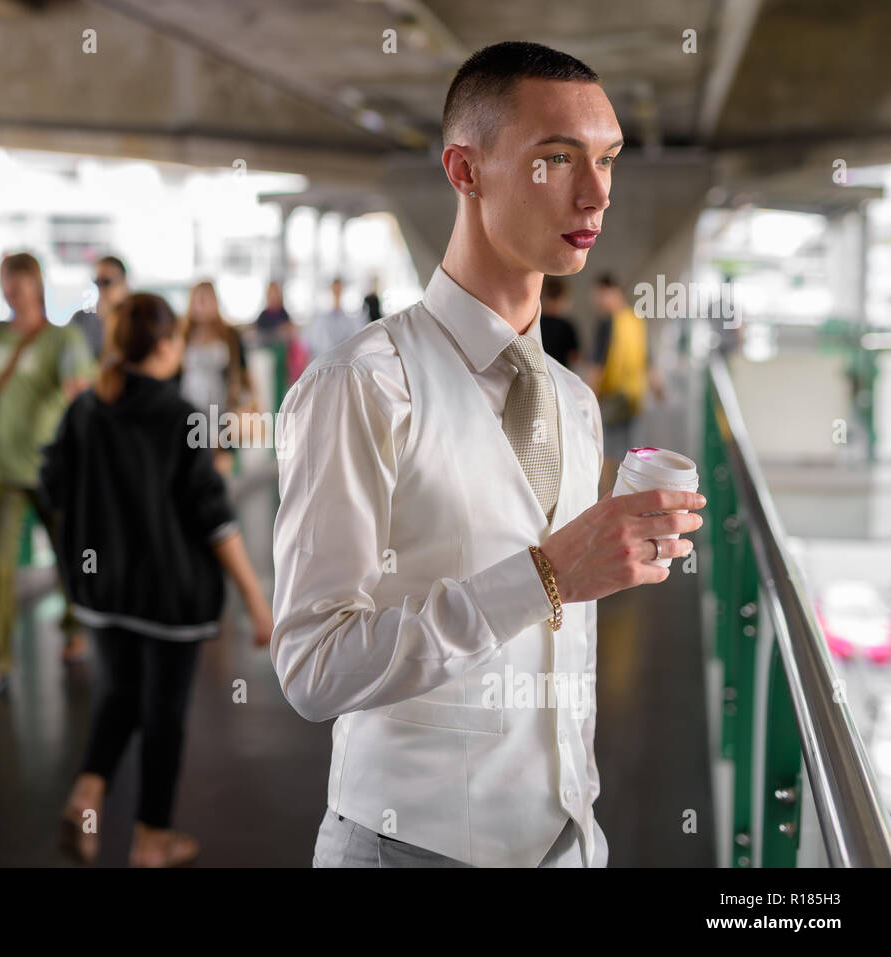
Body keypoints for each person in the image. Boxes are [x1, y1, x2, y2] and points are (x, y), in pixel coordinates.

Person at [270, 40, 706, 868]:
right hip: (407, 844)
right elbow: (312, 667)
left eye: (607, 159)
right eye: (557, 159)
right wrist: (544, 575)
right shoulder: (363, 385)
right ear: (464, 171)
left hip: (569, 841)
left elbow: (552, 633)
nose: (597, 192)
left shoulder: (573, 404)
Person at [40, 292, 273, 867]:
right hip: (170, 598)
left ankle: (88, 791)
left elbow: (50, 485)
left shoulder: (87, 408)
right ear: (166, 346)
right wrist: (255, 599)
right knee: (164, 715)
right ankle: (150, 839)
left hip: (101, 593)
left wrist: (80, 554)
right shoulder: (183, 419)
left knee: (120, 693)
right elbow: (215, 520)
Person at [0, 252, 95, 696]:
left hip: (49, 466)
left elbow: (80, 386)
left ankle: (76, 624)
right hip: (0, 466)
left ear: (37, 285)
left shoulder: (62, 340)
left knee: (70, 553)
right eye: (6, 282)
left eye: (20, 282)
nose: (13, 291)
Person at [587, 273, 665, 492]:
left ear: (611, 292)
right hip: (633, 399)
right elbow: (648, 359)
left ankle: (606, 498)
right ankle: (626, 497)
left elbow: (597, 366)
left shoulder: (607, 323)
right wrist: (658, 387)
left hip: (610, 399)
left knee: (605, 454)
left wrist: (586, 396)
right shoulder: (636, 321)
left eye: (599, 296)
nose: (598, 302)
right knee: (631, 454)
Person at [178, 280, 257, 475]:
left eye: (207, 299)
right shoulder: (183, 334)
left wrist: (250, 401)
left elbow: (242, 370)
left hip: (222, 411)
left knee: (220, 468)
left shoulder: (229, 334)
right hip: (189, 411)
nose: (202, 305)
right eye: (198, 300)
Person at [68, 255, 128, 363]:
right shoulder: (80, 320)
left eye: (106, 282)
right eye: (96, 282)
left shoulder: (136, 319)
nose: (100, 287)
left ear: (123, 283)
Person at [304, 277, 358, 359]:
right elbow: (313, 343)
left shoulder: (351, 318)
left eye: (339, 290)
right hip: (323, 359)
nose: (337, 293)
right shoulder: (320, 318)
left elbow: (354, 340)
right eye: (335, 289)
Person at [540, 276, 581, 369]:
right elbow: (575, 357)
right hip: (560, 375)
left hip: (539, 372)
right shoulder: (567, 326)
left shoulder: (535, 322)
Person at [254, 280, 292, 345]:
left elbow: (289, 334)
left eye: (275, 294)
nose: (273, 297)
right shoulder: (263, 316)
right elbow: (258, 335)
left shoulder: (284, 314)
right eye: (271, 294)